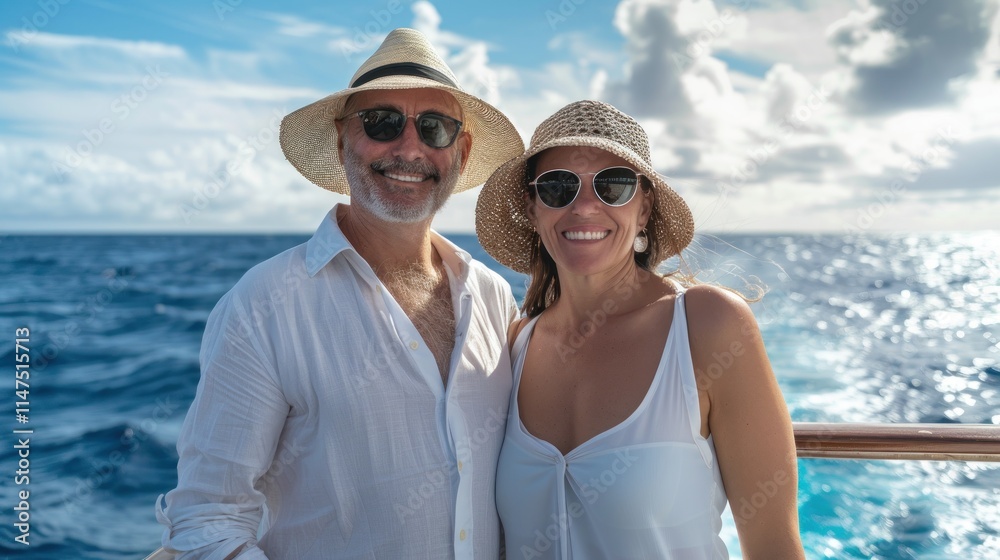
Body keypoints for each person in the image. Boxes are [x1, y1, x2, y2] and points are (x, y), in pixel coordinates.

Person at [156, 28, 525, 559]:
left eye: (436, 128)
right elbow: (208, 519)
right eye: (382, 123)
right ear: (341, 140)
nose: (409, 148)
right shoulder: (264, 306)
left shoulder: (492, 296)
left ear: (461, 151)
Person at [475, 100, 805, 558]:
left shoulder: (708, 327)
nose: (584, 207)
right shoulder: (516, 346)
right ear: (533, 210)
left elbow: (773, 545)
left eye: (613, 185)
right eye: (557, 188)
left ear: (645, 208)